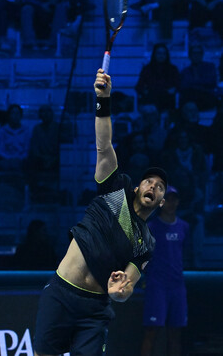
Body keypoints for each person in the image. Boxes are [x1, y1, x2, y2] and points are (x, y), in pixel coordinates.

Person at [33, 69, 167, 356]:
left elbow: (127, 285)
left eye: (160, 188)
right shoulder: (114, 192)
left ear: (160, 202)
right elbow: (104, 147)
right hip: (61, 293)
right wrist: (103, 99)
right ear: (136, 188)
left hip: (94, 310)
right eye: (149, 182)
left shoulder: (146, 243)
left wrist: (121, 293)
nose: (153, 187)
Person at [141, 187, 189, 356]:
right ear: (161, 202)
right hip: (157, 286)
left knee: (175, 335)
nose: (171, 203)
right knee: (151, 332)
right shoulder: (151, 227)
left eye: (174, 199)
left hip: (177, 286)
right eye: (167, 199)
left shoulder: (184, 227)